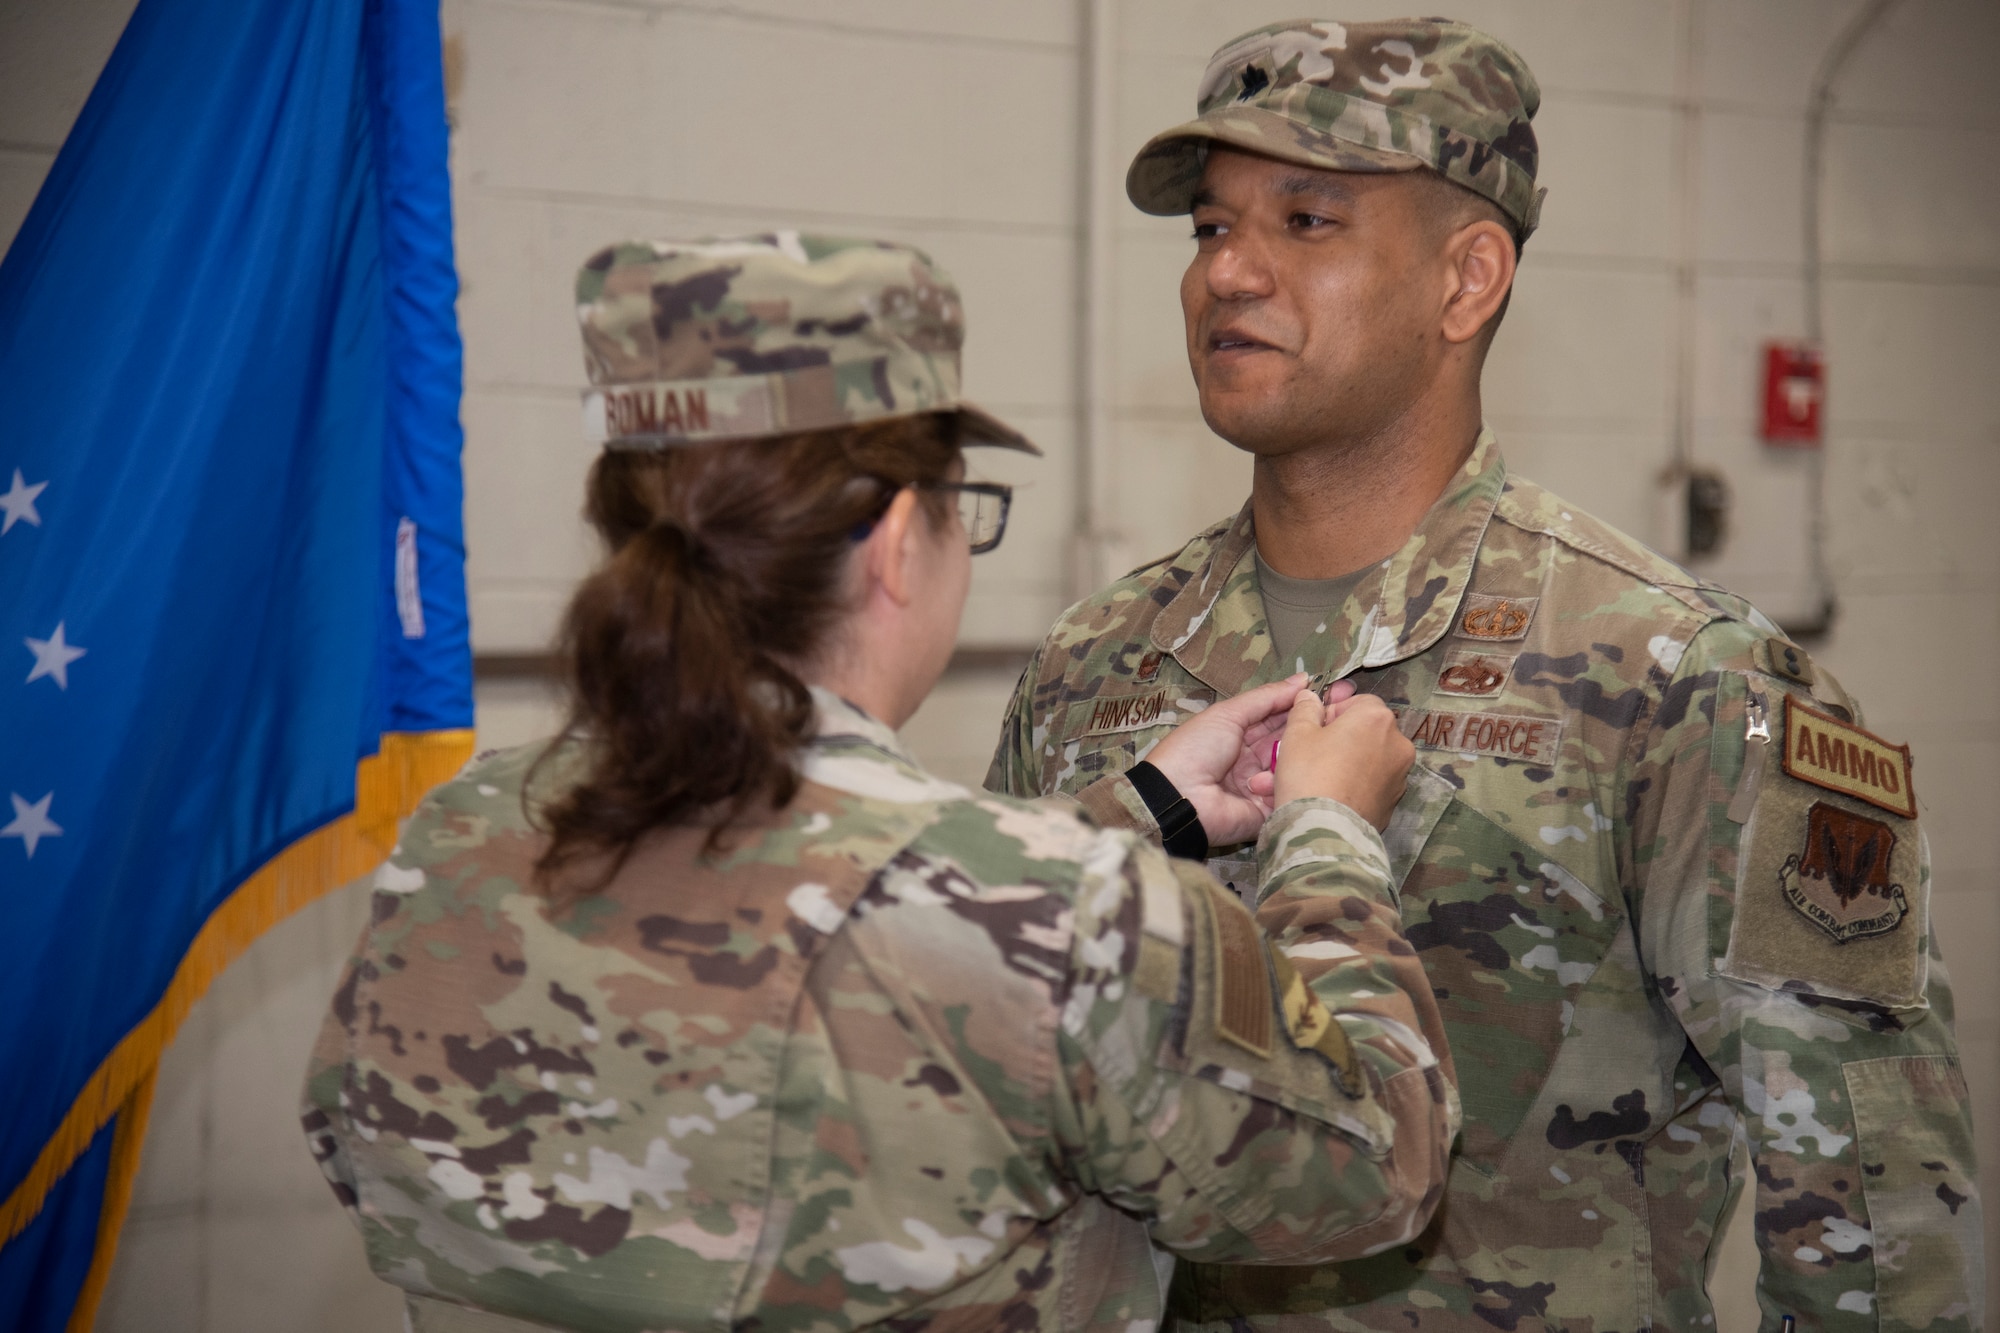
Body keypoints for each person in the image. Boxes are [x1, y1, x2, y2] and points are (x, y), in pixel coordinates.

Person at [987, 19, 1983, 1331]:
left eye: (1306, 221)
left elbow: (1867, 1193)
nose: (1231, 271)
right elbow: (980, 1089)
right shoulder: (1094, 666)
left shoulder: (1687, 678)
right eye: (1211, 229)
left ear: (1468, 281)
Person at [301, 234, 1460, 1333]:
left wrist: (1137, 813)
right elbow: (1372, 1165)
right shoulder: (1067, 917)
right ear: (900, 541)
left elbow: (353, 1135)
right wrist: (1324, 834)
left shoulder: (457, 839)